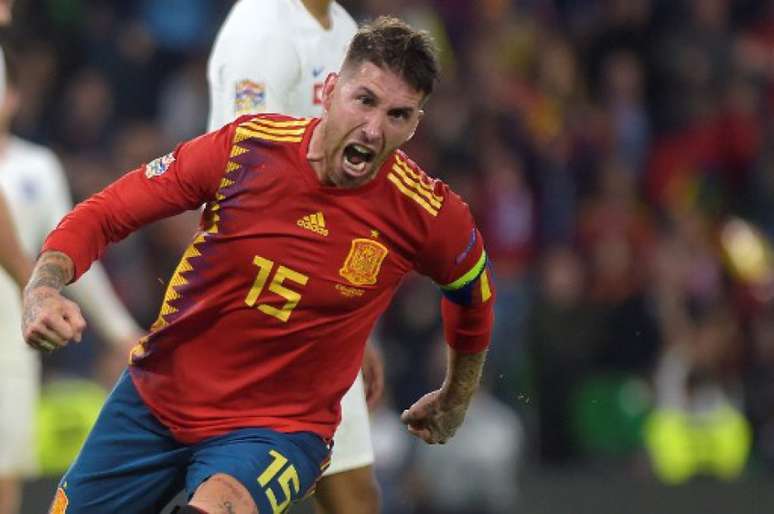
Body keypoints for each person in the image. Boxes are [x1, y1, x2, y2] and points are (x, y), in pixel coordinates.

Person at [23, 16, 495, 514]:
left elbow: (473, 295)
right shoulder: (246, 149)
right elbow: (108, 211)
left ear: (415, 124)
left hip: (278, 430)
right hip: (156, 400)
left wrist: (454, 399)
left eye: (398, 115)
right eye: (365, 101)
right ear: (330, 91)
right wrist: (44, 286)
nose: (374, 129)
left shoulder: (427, 212)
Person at [207, 2, 384, 512]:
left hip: (318, 299)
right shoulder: (262, 30)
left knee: (352, 489)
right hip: (260, 295)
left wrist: (351, 316)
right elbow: (241, 175)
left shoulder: (345, 29)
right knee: (237, 491)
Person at [0, 53, 144, 514]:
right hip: (23, 315)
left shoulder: (36, 166)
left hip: (9, 342)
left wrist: (120, 330)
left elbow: (70, 255)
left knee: (5, 476)